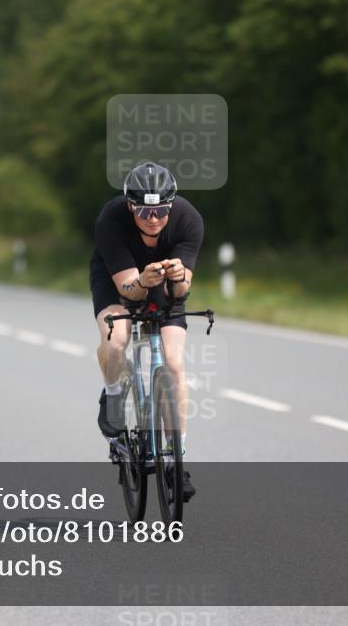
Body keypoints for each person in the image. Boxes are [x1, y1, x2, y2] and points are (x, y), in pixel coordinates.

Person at [89, 162, 203, 501]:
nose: (153, 218)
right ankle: (112, 397)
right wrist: (142, 280)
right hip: (118, 279)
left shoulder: (188, 220)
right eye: (144, 211)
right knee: (117, 338)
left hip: (164, 284)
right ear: (130, 206)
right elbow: (127, 289)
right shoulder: (111, 220)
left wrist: (179, 276)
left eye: (160, 211)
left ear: (171, 205)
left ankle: (175, 458)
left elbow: (181, 294)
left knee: (174, 363)